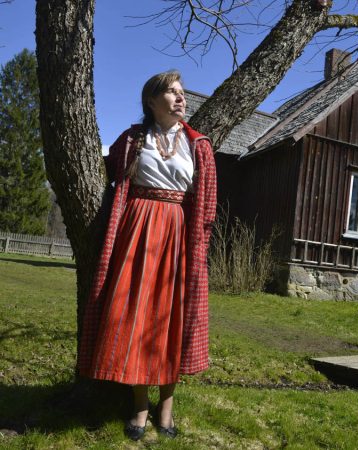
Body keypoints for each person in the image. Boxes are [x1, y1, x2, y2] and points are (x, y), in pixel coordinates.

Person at [76, 70, 217, 441]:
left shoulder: (199, 145)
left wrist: (196, 247)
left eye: (182, 92)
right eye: (171, 92)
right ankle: (139, 406)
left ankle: (166, 408)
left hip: (176, 237)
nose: (180, 97)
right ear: (151, 101)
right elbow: (104, 173)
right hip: (136, 234)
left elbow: (207, 204)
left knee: (171, 320)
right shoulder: (132, 140)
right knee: (133, 315)